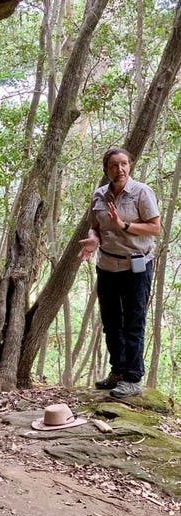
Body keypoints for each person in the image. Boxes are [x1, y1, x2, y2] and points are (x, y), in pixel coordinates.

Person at [78, 148, 160, 399]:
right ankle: (118, 370)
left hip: (136, 266)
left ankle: (133, 377)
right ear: (107, 169)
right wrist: (93, 240)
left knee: (133, 322)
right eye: (114, 165)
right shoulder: (99, 196)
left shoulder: (141, 192)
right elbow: (95, 228)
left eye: (124, 164)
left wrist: (124, 225)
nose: (120, 169)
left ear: (130, 166)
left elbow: (155, 228)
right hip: (107, 266)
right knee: (111, 322)